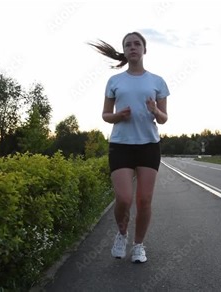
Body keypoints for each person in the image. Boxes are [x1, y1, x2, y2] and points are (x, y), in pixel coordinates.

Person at [88, 32, 170, 263]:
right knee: (124, 198)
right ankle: (122, 235)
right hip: (120, 145)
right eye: (128, 45)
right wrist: (117, 116)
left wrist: (155, 111)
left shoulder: (157, 81)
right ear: (124, 51)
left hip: (148, 146)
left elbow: (164, 119)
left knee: (144, 200)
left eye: (137, 44)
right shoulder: (115, 81)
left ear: (145, 49)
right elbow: (105, 115)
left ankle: (139, 245)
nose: (132, 47)